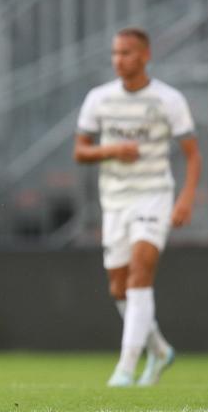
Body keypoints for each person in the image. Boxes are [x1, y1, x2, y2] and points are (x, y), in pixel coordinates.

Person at [74, 28, 201, 387]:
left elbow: (193, 154)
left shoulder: (168, 100)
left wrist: (186, 197)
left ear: (145, 56)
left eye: (127, 53)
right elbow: (80, 151)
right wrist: (111, 150)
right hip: (115, 200)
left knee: (139, 275)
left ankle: (126, 367)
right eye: (115, 53)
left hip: (153, 195)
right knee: (119, 288)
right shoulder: (99, 99)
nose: (119, 60)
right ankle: (160, 351)